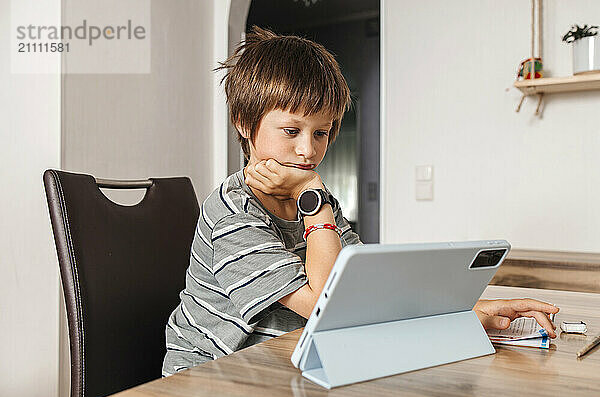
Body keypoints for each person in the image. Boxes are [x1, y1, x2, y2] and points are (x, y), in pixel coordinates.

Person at [161, 27, 559, 377]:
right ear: (245, 124)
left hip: (290, 357)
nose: (307, 151)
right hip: (211, 376)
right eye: (291, 130)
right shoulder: (235, 211)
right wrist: (313, 200)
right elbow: (326, 305)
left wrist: (472, 309)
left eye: (321, 133)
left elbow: (364, 289)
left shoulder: (313, 198)